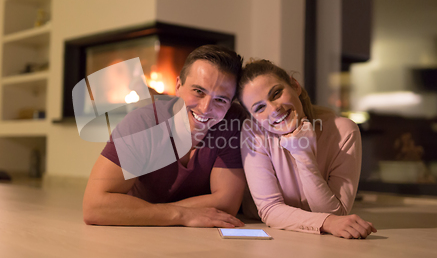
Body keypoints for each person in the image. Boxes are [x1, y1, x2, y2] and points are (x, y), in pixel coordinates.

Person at [83, 45, 247, 228]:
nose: (206, 108)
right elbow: (94, 207)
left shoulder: (232, 122)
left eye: (221, 99)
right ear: (178, 86)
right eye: (198, 91)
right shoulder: (142, 124)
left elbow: (226, 203)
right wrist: (181, 215)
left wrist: (146, 212)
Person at [238, 59, 377, 239]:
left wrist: (302, 153)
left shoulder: (344, 132)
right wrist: (326, 222)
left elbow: (337, 215)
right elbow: (270, 209)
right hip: (269, 232)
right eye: (259, 108)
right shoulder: (253, 132)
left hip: (306, 236)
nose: (274, 109)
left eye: (276, 94)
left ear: (295, 85)